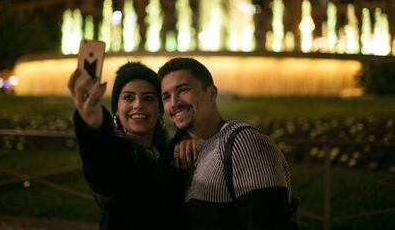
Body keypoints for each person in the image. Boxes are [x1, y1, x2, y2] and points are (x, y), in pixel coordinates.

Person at [159, 57, 294, 230]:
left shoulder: (245, 144)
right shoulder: (185, 154)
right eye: (166, 97)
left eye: (183, 90)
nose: (174, 102)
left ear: (212, 92)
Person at [68, 62, 187, 230]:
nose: (138, 104)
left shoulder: (167, 154)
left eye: (148, 98)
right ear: (117, 108)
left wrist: (191, 137)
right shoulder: (117, 155)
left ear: (159, 108)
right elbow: (101, 168)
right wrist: (93, 126)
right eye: (128, 97)